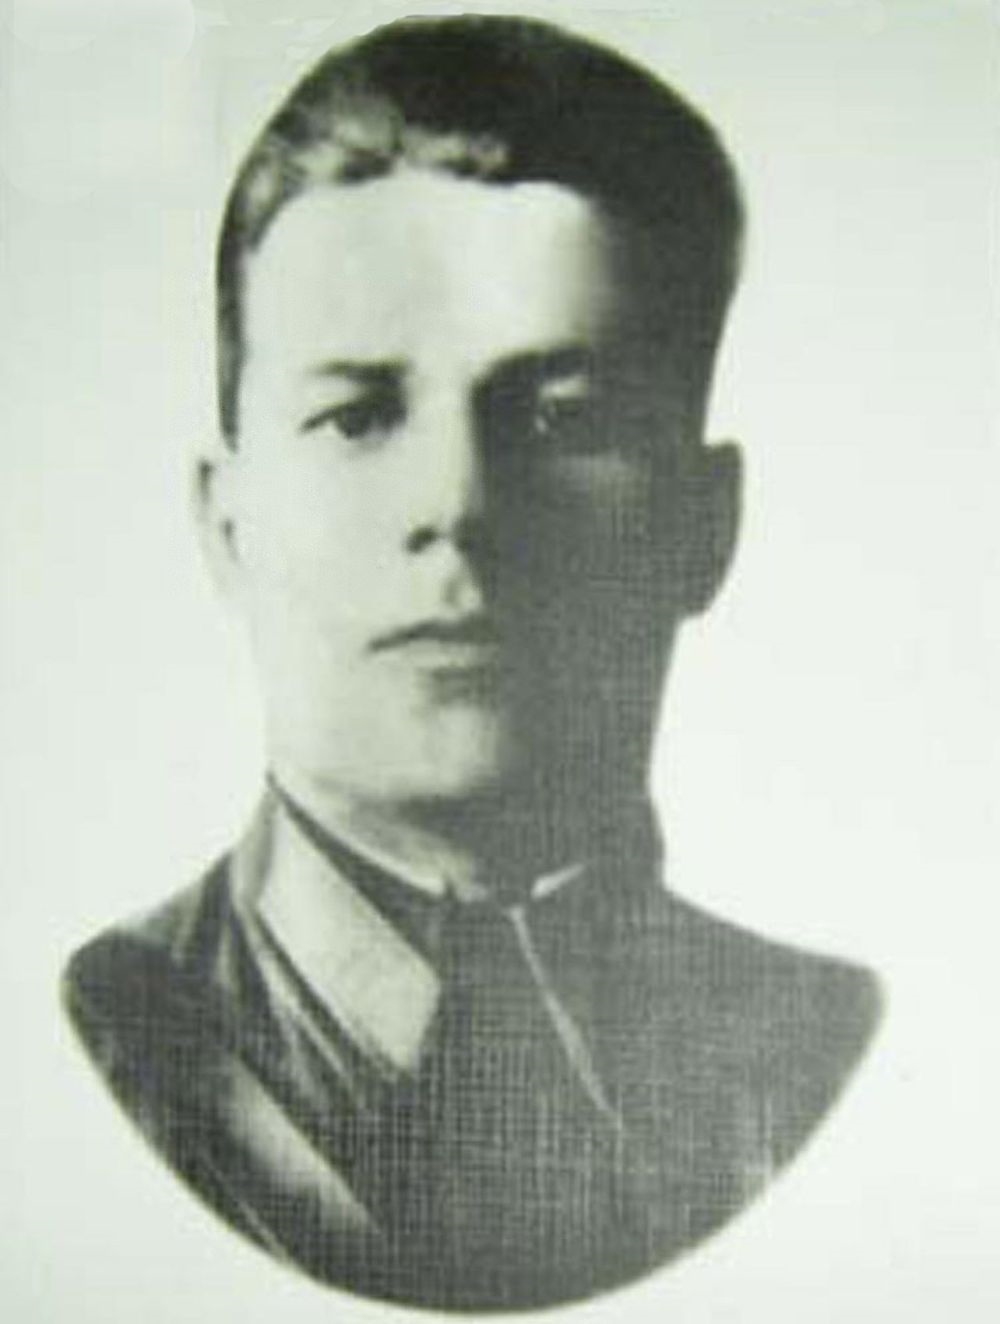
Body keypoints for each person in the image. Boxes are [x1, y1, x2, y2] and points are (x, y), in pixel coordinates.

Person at [62, 14, 881, 1311]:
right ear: (227, 524)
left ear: (705, 524)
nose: (456, 506)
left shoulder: (814, 1048)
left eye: (562, 417)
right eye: (356, 417)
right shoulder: (112, 1042)